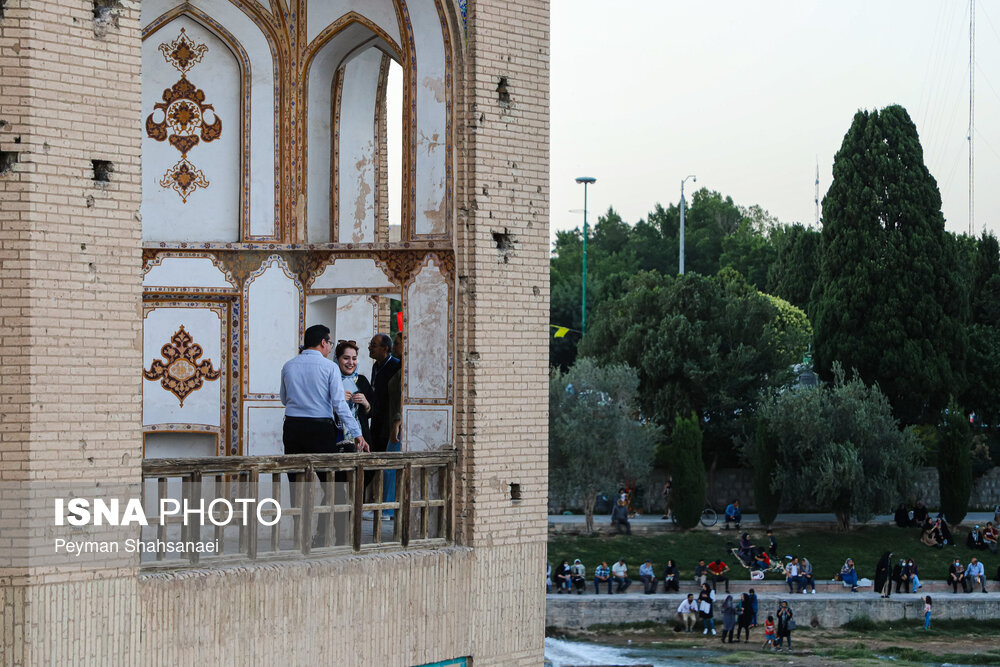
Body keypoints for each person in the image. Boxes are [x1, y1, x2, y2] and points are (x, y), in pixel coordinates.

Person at [280, 325, 369, 455]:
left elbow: (284, 399)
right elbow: (339, 404)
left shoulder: (288, 366)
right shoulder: (330, 367)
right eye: (329, 343)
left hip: (292, 426)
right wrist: (357, 434)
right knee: (327, 472)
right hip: (320, 427)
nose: (329, 348)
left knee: (296, 470)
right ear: (323, 342)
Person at [366, 333, 401, 454]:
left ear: (385, 348)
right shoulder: (376, 366)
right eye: (370, 344)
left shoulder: (396, 366)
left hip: (389, 421)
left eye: (373, 345)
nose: (370, 347)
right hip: (376, 420)